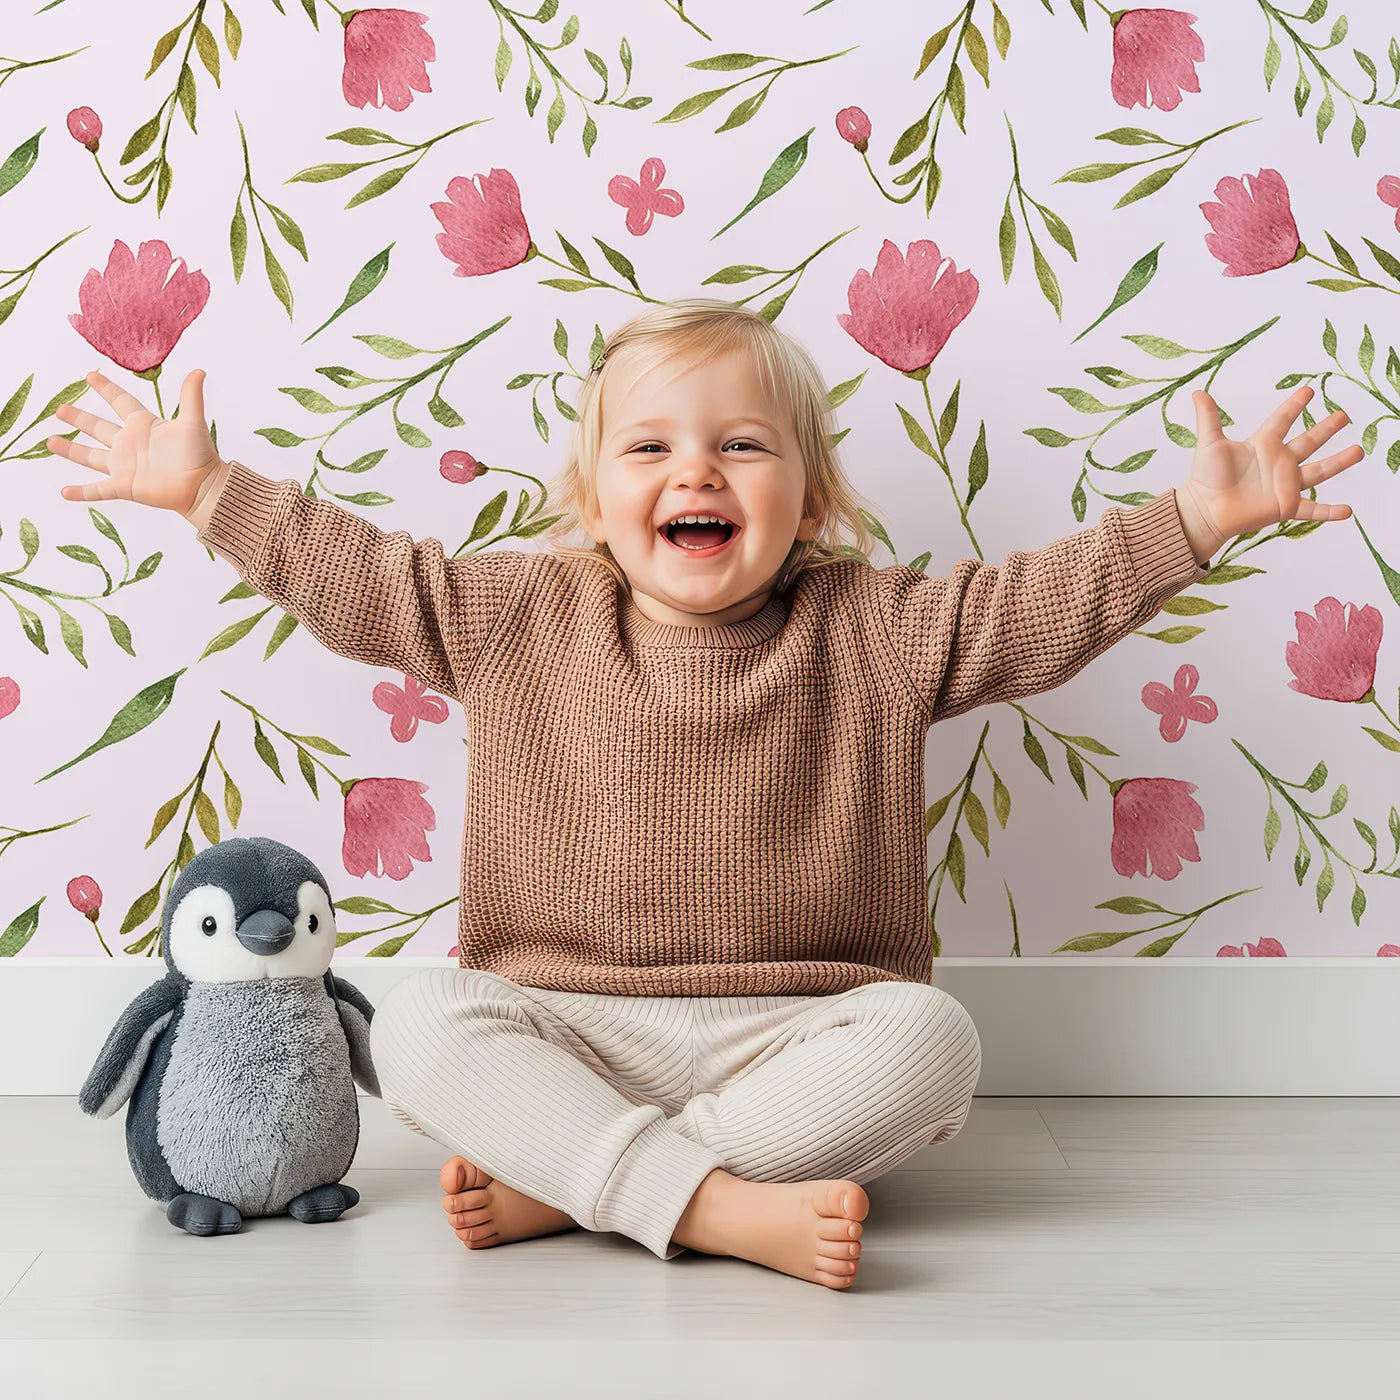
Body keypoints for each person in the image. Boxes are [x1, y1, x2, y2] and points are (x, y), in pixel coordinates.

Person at [43, 299, 1361, 1289]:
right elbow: (360, 576)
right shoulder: (516, 614)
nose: (696, 473)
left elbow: (1035, 607)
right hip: (563, 1023)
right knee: (423, 1024)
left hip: (800, 1032)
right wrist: (209, 491)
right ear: (592, 498)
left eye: (742, 444)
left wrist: (1193, 521)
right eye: (651, 447)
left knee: (936, 1041)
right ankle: (720, 1207)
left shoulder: (877, 627)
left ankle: (585, 1184)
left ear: (812, 500)